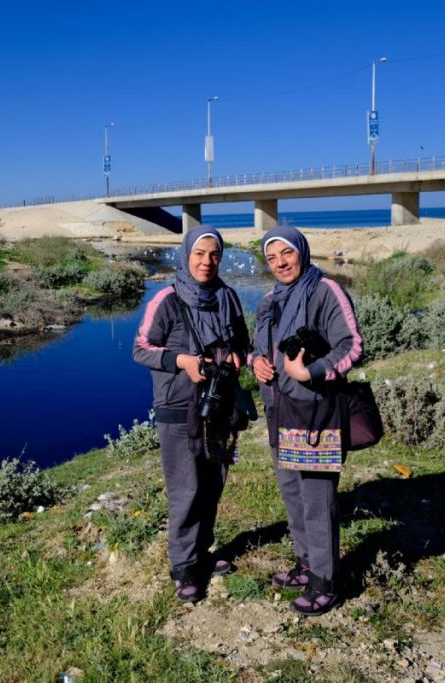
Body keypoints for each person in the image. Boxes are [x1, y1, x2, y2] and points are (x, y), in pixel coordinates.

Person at [133, 225, 250, 603]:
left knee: (213, 482)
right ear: (186, 256)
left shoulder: (228, 297)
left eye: (214, 254)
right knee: (186, 488)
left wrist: (237, 356)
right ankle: (183, 567)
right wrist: (181, 360)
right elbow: (140, 350)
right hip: (177, 407)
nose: (207, 261)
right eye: (199, 254)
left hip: (219, 404)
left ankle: (203, 551)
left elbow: (242, 342)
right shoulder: (165, 300)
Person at [251, 225, 362, 616]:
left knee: (317, 499)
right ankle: (306, 564)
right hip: (279, 410)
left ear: (302, 251)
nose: (280, 263)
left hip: (316, 412)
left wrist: (310, 372)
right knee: (292, 492)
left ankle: (327, 582)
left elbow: (353, 345)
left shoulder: (325, 290)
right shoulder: (269, 299)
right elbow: (257, 347)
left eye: (286, 253)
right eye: (272, 257)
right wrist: (257, 363)